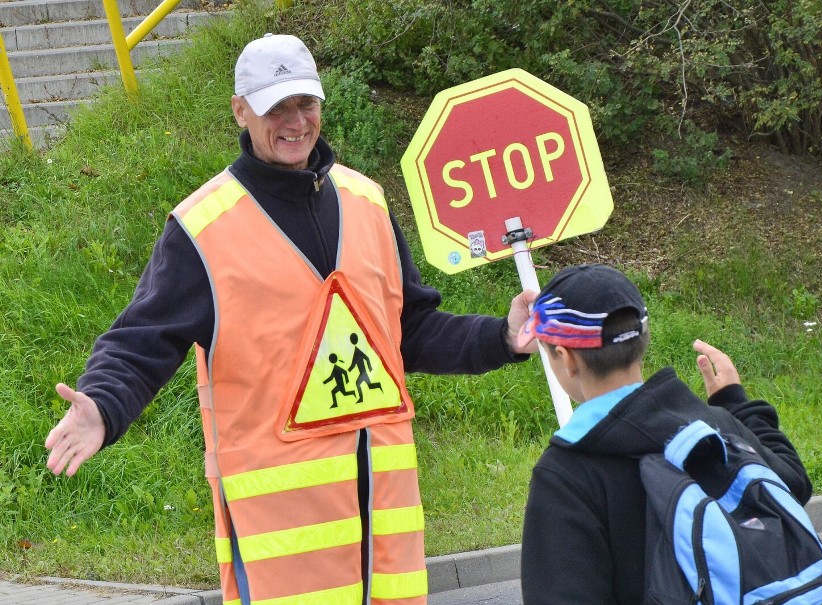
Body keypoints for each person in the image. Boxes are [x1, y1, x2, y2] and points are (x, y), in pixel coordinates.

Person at [45, 33, 536, 605]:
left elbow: (410, 333)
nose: (295, 121)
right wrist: (103, 406)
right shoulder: (203, 230)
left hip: (385, 541)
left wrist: (502, 337)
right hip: (284, 550)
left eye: (305, 103)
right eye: (275, 106)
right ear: (240, 111)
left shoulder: (368, 203)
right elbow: (141, 340)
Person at [518, 263, 812, 605]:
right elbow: (793, 485)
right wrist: (735, 404)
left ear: (566, 358)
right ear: (645, 338)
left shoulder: (565, 475)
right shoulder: (712, 424)